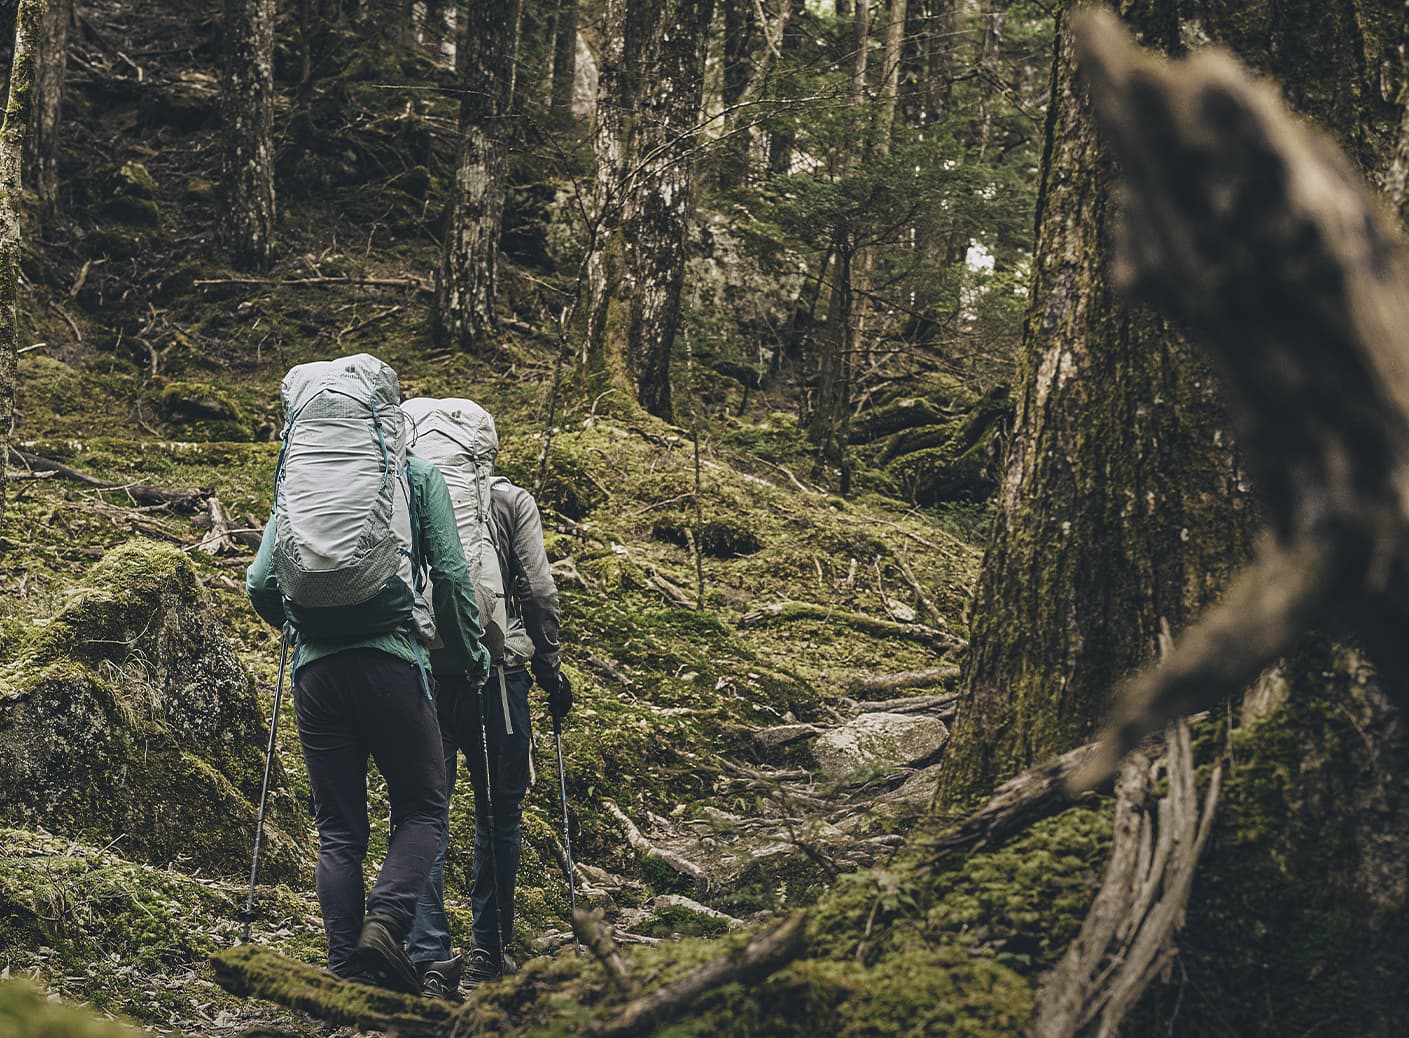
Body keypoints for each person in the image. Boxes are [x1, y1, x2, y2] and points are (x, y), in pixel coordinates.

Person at [246, 358, 489, 994]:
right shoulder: (414, 474)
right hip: (392, 664)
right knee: (423, 810)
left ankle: (345, 971)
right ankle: (387, 920)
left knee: (338, 830)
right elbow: (455, 578)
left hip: (316, 676)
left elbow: (260, 582)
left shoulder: (299, 482)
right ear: (388, 413)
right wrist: (465, 655)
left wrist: (299, 627)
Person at [404, 404, 572, 998]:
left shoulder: (405, 489)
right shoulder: (510, 501)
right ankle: (487, 951)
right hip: (498, 678)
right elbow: (540, 591)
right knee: (498, 815)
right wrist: (550, 669)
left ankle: (427, 955)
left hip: (422, 672)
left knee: (425, 813)